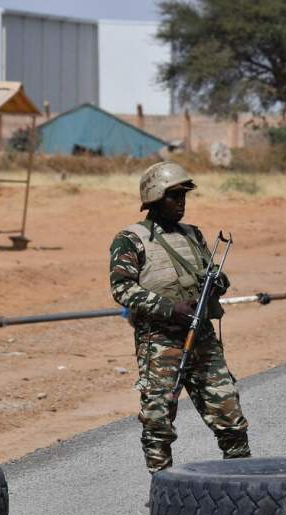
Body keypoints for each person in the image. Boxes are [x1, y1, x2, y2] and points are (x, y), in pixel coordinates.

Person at [109, 161, 251, 473]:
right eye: (175, 196)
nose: (182, 202)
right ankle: (163, 490)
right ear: (155, 198)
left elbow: (210, 273)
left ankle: (243, 481)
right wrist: (169, 308)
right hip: (160, 343)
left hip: (201, 338)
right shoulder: (130, 239)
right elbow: (121, 289)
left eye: (184, 195)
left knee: (230, 415)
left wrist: (218, 282)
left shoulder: (193, 235)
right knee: (158, 423)